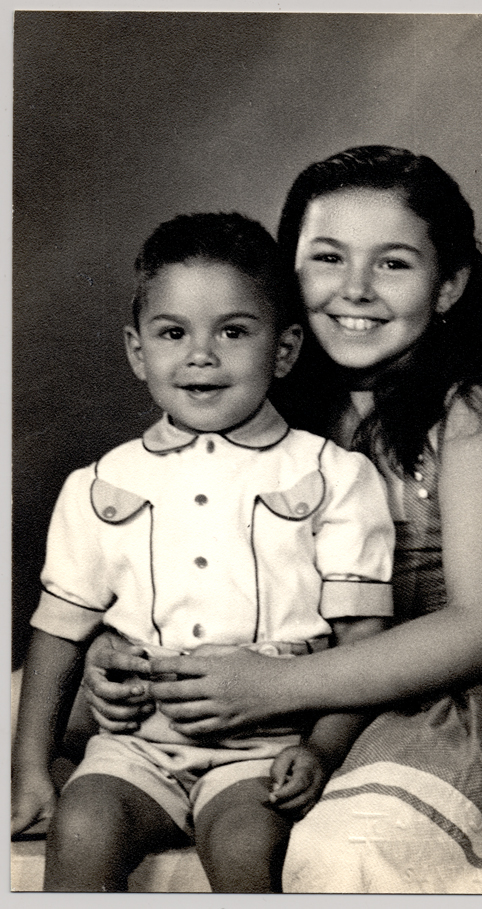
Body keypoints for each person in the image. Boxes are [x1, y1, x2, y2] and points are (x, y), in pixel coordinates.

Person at [83, 146, 482, 894]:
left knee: (343, 847)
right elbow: (184, 561)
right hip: (315, 673)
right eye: (327, 258)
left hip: (466, 696)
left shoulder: (470, 413)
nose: (354, 289)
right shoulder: (271, 414)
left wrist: (276, 686)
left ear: (449, 285)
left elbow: (481, 630)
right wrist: (117, 653)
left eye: (393, 264)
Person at [11, 211, 397, 892]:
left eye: (233, 332)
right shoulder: (100, 484)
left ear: (284, 349)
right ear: (137, 351)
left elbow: (361, 641)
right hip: (134, 747)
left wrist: (321, 748)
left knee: (248, 844)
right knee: (82, 824)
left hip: (266, 749)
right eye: (173, 333)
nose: (201, 355)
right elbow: (58, 635)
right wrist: (31, 770)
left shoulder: (333, 475)